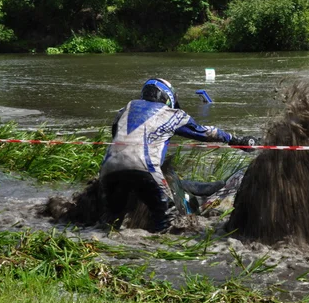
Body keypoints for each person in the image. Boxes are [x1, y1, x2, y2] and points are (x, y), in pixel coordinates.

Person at [99, 78, 257, 233]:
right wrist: (237, 141)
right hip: (145, 168)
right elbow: (205, 132)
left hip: (108, 169)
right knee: (164, 218)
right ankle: (158, 248)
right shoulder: (172, 114)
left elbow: (117, 137)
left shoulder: (124, 109)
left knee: (112, 219)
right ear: (167, 97)